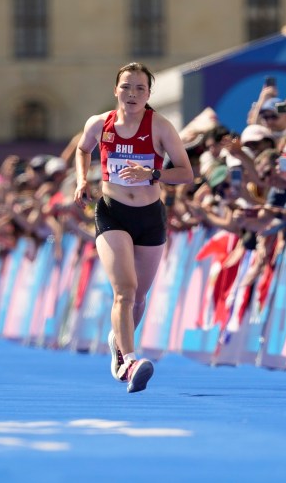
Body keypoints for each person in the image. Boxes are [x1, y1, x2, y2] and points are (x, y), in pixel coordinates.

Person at [73, 62, 193, 393]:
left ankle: (118, 342)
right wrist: (83, 179)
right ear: (116, 90)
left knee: (139, 296)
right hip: (112, 213)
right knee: (124, 290)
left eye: (140, 88)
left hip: (150, 215)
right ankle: (129, 361)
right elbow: (83, 150)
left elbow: (186, 173)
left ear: (149, 94)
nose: (132, 94)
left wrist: (152, 174)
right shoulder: (100, 124)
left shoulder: (161, 127)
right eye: (126, 87)